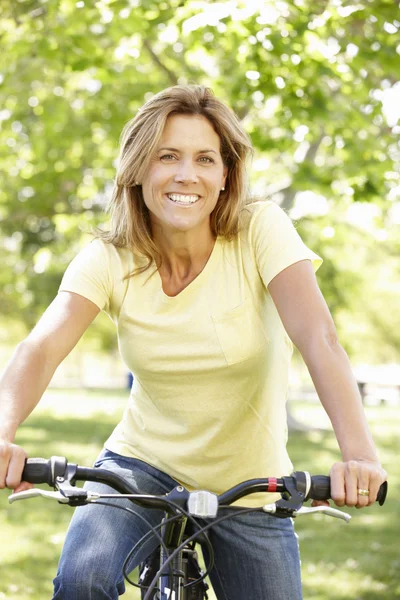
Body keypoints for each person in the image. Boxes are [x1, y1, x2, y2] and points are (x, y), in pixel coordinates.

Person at [0, 85, 387, 599]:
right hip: (138, 465)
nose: (187, 175)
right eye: (168, 156)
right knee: (83, 579)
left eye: (205, 159)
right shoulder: (111, 258)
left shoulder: (260, 231)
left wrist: (359, 455)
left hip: (252, 483)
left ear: (225, 175)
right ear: (138, 169)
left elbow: (319, 338)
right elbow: (40, 349)